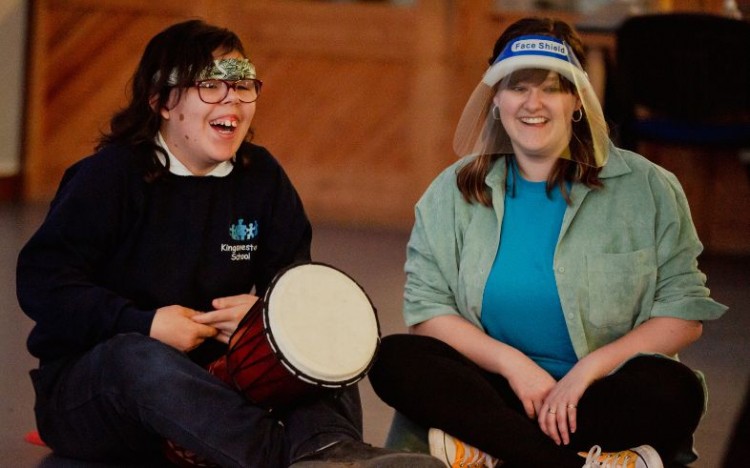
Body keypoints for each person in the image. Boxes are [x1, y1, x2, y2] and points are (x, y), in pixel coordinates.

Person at [16, 19, 442, 468]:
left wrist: (268, 314)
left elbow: (294, 283)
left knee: (319, 330)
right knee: (136, 356)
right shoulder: (108, 177)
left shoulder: (261, 176)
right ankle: (294, 460)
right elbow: (44, 285)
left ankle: (330, 450)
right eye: (211, 86)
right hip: (98, 390)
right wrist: (144, 324)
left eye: (242, 85)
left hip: (223, 381)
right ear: (162, 101)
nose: (232, 100)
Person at [367, 17, 728, 468]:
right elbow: (427, 310)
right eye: (517, 86)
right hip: (496, 390)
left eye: (552, 87)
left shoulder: (650, 188)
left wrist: (584, 374)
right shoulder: (450, 192)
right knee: (394, 359)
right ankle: (577, 462)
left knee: (676, 391)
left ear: (577, 98)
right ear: (496, 98)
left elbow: (683, 314)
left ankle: (491, 450)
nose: (533, 103)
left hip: (599, 395)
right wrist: (516, 368)